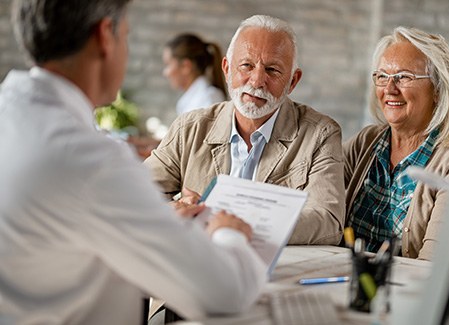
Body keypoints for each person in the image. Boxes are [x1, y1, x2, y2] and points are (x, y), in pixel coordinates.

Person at [0, 1, 267, 324]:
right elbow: (227, 291)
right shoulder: (91, 161)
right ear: (104, 37)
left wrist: (159, 221)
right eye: (126, 35)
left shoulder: (10, 113)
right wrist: (228, 232)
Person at [144, 14, 345, 245]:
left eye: (272, 70)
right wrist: (173, 210)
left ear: (292, 81)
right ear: (227, 69)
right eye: (247, 65)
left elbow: (328, 221)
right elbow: (136, 193)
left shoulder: (321, 135)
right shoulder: (189, 128)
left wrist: (236, 224)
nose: (257, 80)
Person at [343, 26, 449, 260]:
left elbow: (431, 266)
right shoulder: (364, 143)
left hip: (405, 292)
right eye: (382, 76)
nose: (390, 89)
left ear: (438, 90)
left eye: (404, 77)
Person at [163, 33, 227, 116]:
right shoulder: (192, 99)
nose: (166, 73)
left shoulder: (209, 99)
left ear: (186, 66)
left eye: (168, 64)